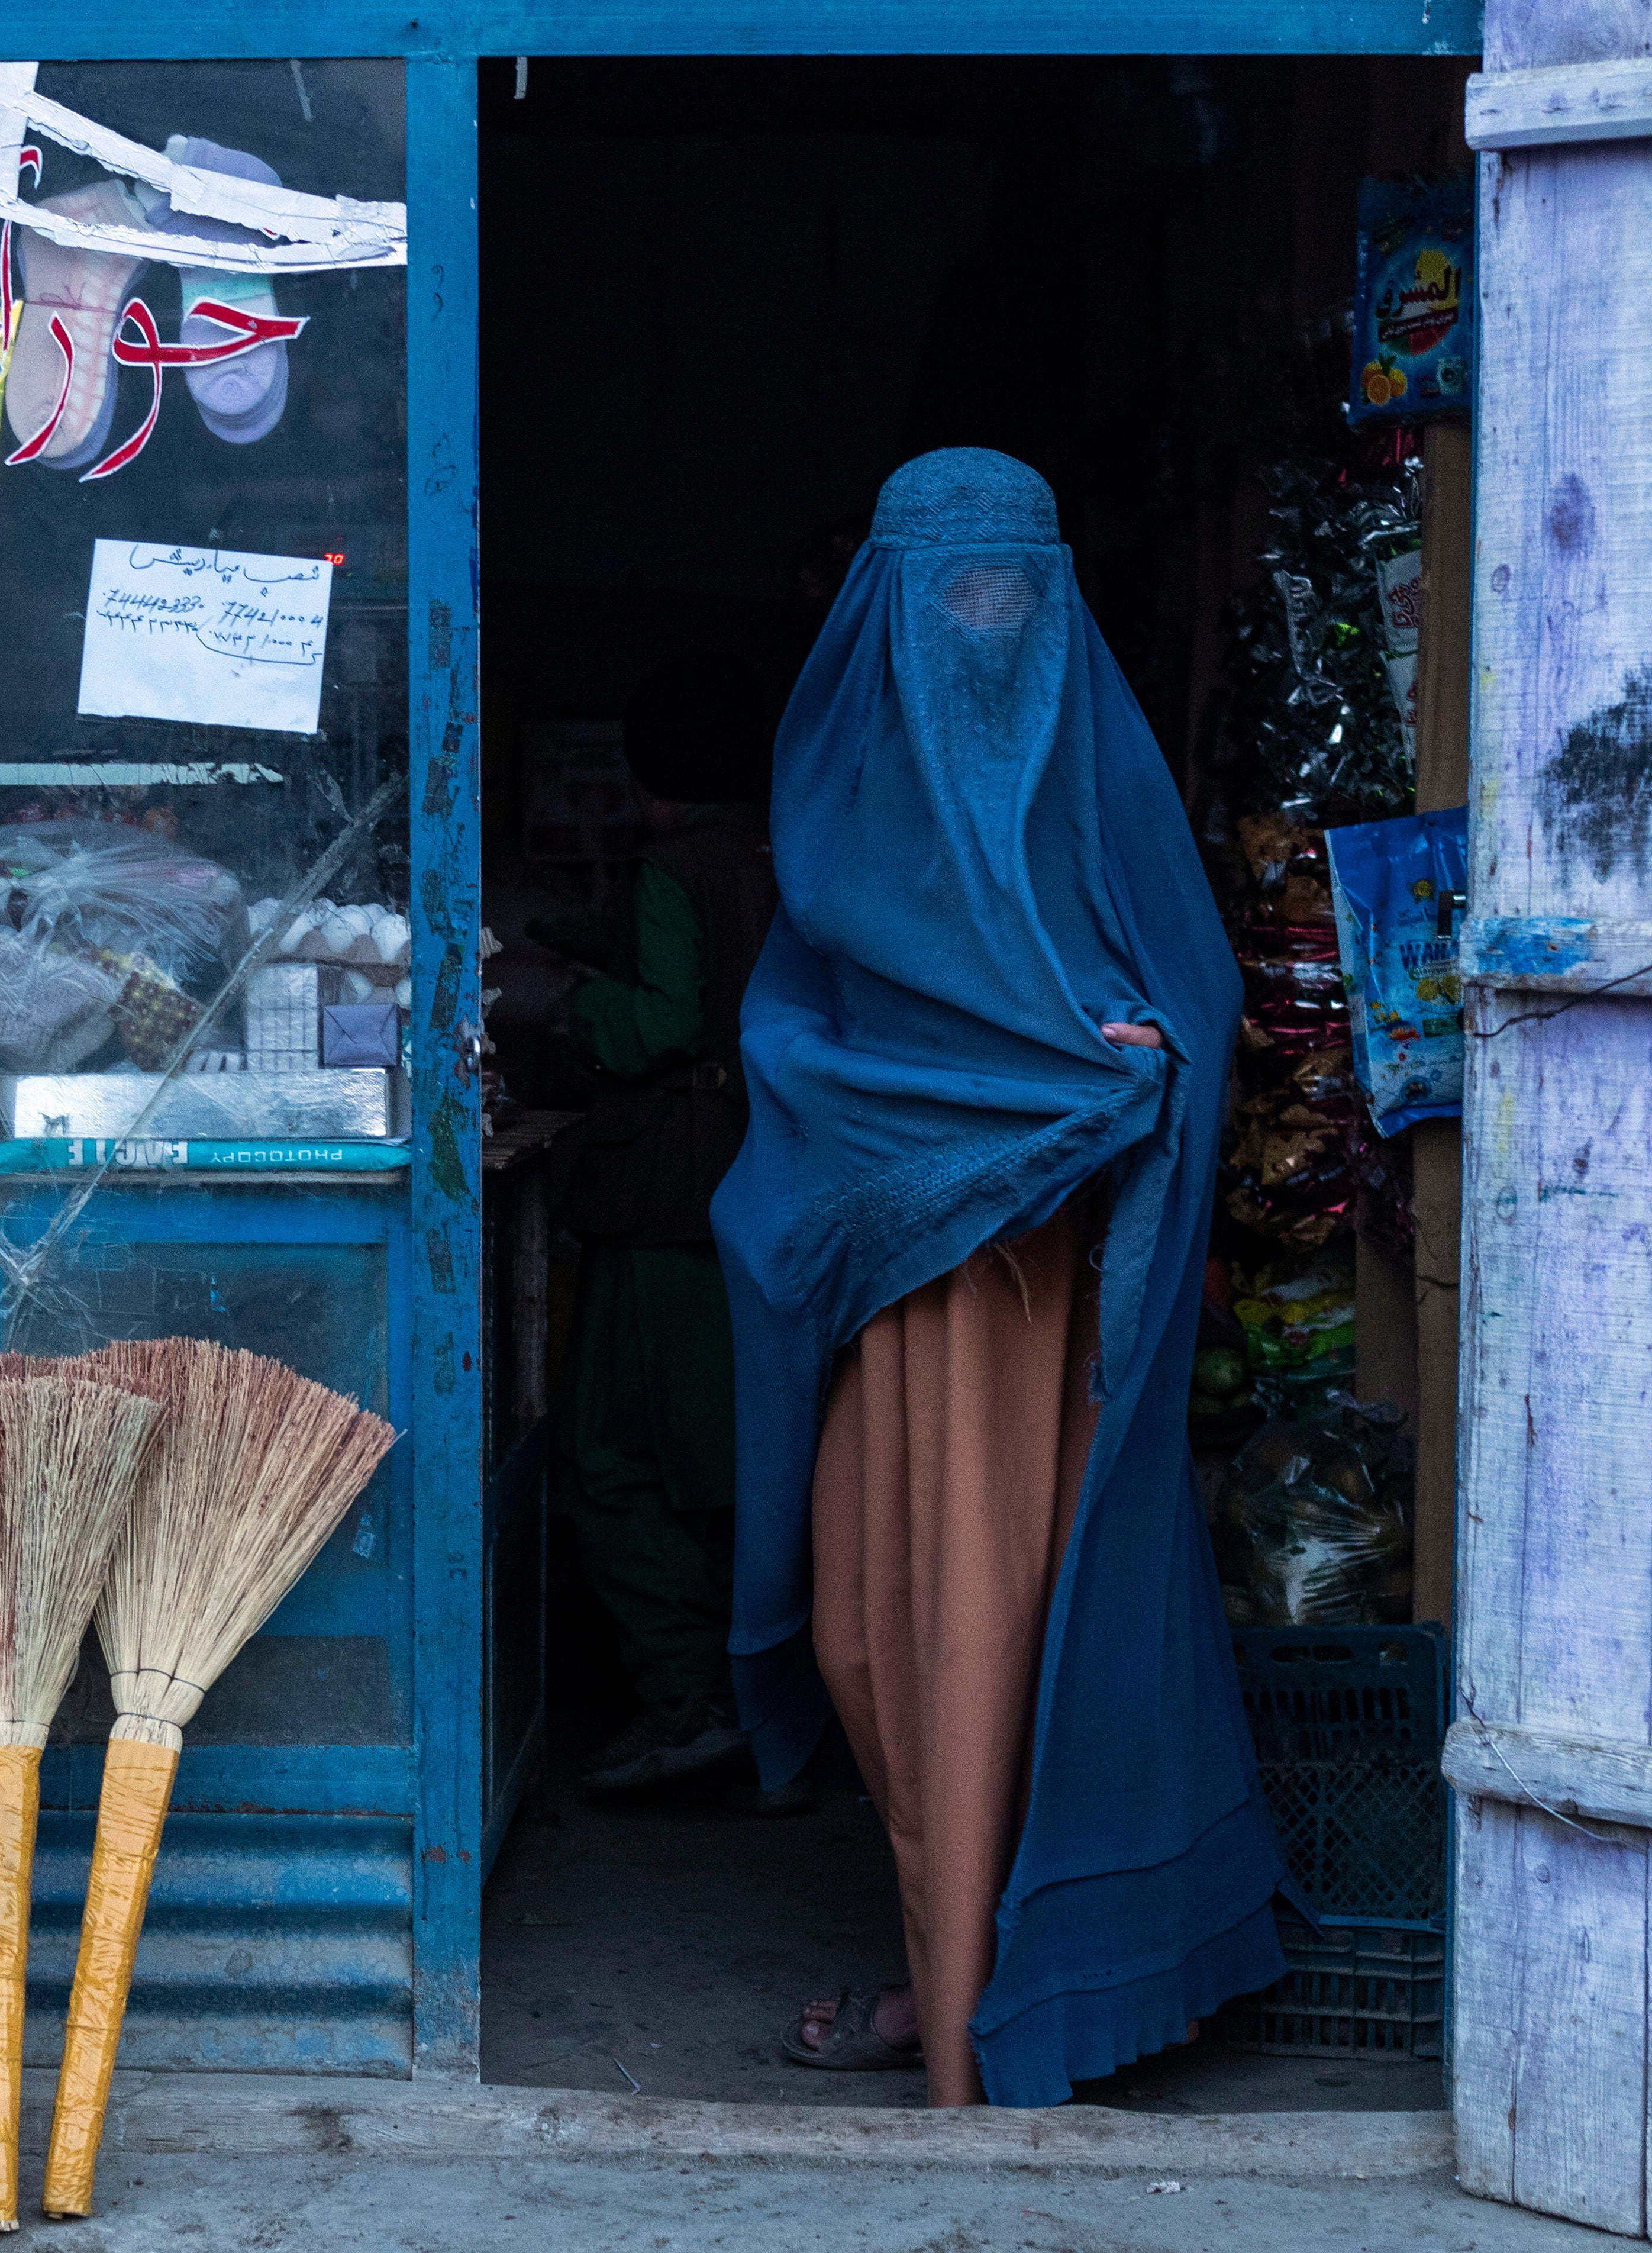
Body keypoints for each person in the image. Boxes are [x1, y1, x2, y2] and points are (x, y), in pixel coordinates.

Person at [716, 446, 1286, 2108]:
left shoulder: (1090, 779)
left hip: (1057, 1306)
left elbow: (1192, 997)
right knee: (871, 1642)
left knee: (998, 1645)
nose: (981, 622)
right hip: (904, 1302)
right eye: (947, 590)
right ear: (883, 607)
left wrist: (1133, 1063)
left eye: (1013, 590)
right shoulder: (843, 793)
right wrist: (918, 1145)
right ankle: (956, 1977)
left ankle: (972, 2010)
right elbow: (793, 1044)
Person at [495, 687, 783, 1797]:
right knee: (730, 1462)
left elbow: (663, 1020)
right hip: (768, 1181)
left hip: (671, 1188)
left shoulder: (677, 865)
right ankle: (752, 1697)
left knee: (614, 1455)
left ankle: (684, 1700)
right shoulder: (784, 848)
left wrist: (566, 1002)